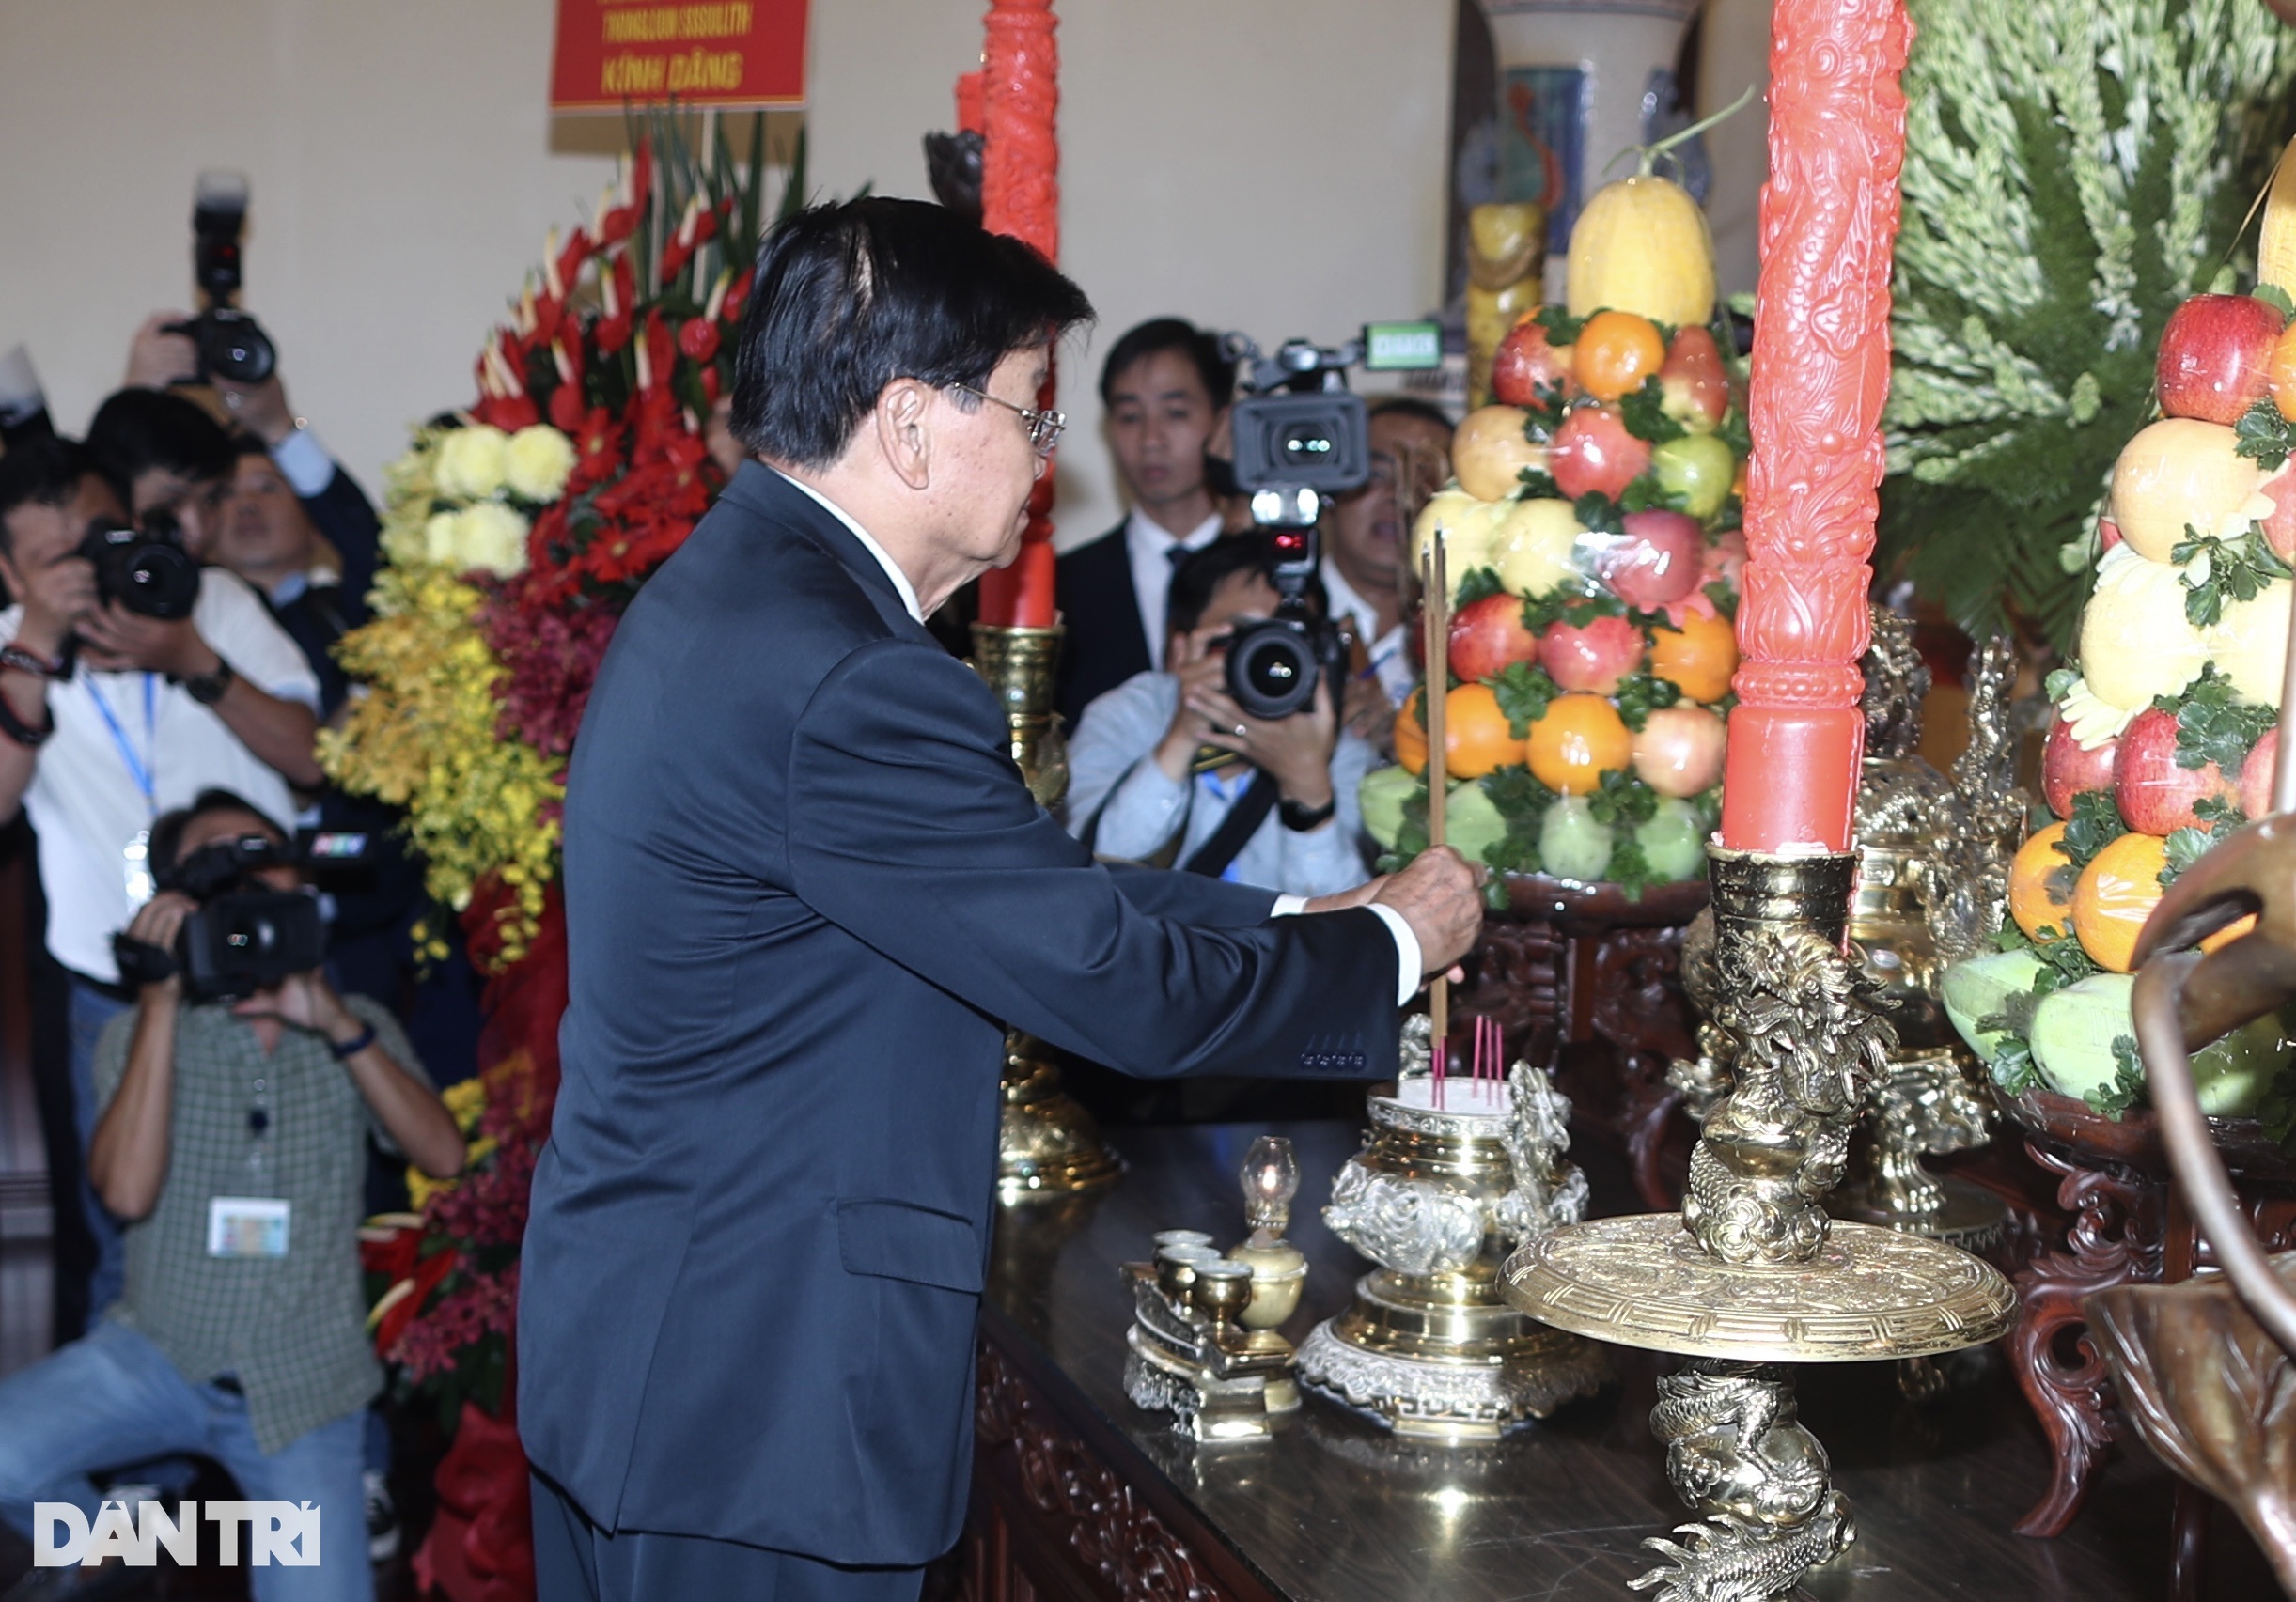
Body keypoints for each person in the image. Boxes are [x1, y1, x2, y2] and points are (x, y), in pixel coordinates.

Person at [517, 196, 1482, 1602]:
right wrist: (1391, 951)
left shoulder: (742, 594)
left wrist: (1314, 918)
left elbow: (1018, 894)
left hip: (665, 1353)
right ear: (912, 425)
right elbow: (1112, 988)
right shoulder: (846, 672)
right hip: (751, 1399)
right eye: (1033, 414)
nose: (1045, 461)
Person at [0, 791, 461, 1602]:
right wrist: (158, 998)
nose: (247, 882)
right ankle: (131, 1543)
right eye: (219, 867)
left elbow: (444, 1156)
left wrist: (334, 1023)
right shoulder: (143, 1031)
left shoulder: (356, 1021)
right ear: (178, 900)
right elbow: (127, 1192)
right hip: (159, 1353)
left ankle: (166, 1537)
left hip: (304, 1384)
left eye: (261, 855)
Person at [0, 437, 323, 1323]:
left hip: (266, 963)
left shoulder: (213, 602)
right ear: (7, 568)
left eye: (99, 538)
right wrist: (32, 645)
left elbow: (312, 757)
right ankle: (134, 1449)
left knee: (302, 1203)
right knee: (121, 1235)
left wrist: (192, 659)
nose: (85, 570)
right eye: (52, 559)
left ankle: (312, 1425)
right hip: (118, 986)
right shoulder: (8, 646)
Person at [1063, 536, 1376, 898]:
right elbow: (1094, 870)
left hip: (1276, 951)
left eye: (1284, 639)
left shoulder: (1337, 743)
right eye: (1242, 637)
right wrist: (1180, 740)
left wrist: (1309, 789)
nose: (1266, 658)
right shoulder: (1130, 714)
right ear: (1182, 648)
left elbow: (1345, 921)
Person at [123, 314, 383, 614]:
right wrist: (135, 399)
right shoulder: (170, 620)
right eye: (224, 495)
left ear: (317, 526)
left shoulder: (350, 619)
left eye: (268, 487)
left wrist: (280, 428)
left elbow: (374, 552)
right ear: (201, 527)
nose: (247, 504)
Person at [1054, 318, 1233, 723]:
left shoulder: (1270, 572)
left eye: (1175, 413)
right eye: (1130, 417)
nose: (1152, 439)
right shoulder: (1064, 587)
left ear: (1223, 420)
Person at [1321, 397, 1454, 734]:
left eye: (1423, 480)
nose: (1399, 495)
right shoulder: (1272, 605)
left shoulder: (1462, 635)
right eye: (1376, 474)